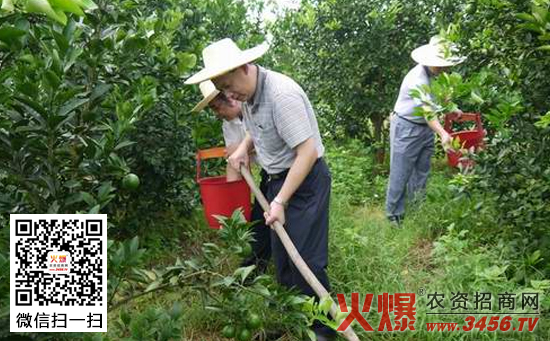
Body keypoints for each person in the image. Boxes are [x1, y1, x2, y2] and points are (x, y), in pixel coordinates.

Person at [186, 38, 335, 340]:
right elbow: (255, 129)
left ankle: (322, 331)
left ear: (244, 67)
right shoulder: (250, 96)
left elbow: (306, 153)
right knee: (283, 262)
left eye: (229, 86)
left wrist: (279, 200)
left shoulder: (281, 94)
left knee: (305, 260)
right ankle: (296, 321)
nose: (230, 96)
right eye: (223, 90)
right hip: (278, 178)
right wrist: (243, 148)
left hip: (305, 182)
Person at [386, 36, 465, 227]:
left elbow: (438, 102)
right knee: (400, 173)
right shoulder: (417, 79)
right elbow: (429, 114)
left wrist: (451, 108)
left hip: (425, 129)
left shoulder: (437, 77)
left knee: (421, 171)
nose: (442, 68)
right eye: (439, 64)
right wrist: (443, 133)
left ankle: (416, 210)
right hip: (406, 127)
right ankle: (393, 217)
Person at [192, 80, 271, 272]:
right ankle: (252, 269)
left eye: (216, 107)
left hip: (288, 169)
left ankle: (262, 268)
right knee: (261, 222)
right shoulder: (228, 125)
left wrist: (244, 148)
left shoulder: (256, 110)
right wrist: (233, 208)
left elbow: (266, 142)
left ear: (231, 99)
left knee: (272, 221)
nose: (216, 114)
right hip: (269, 172)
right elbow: (234, 162)